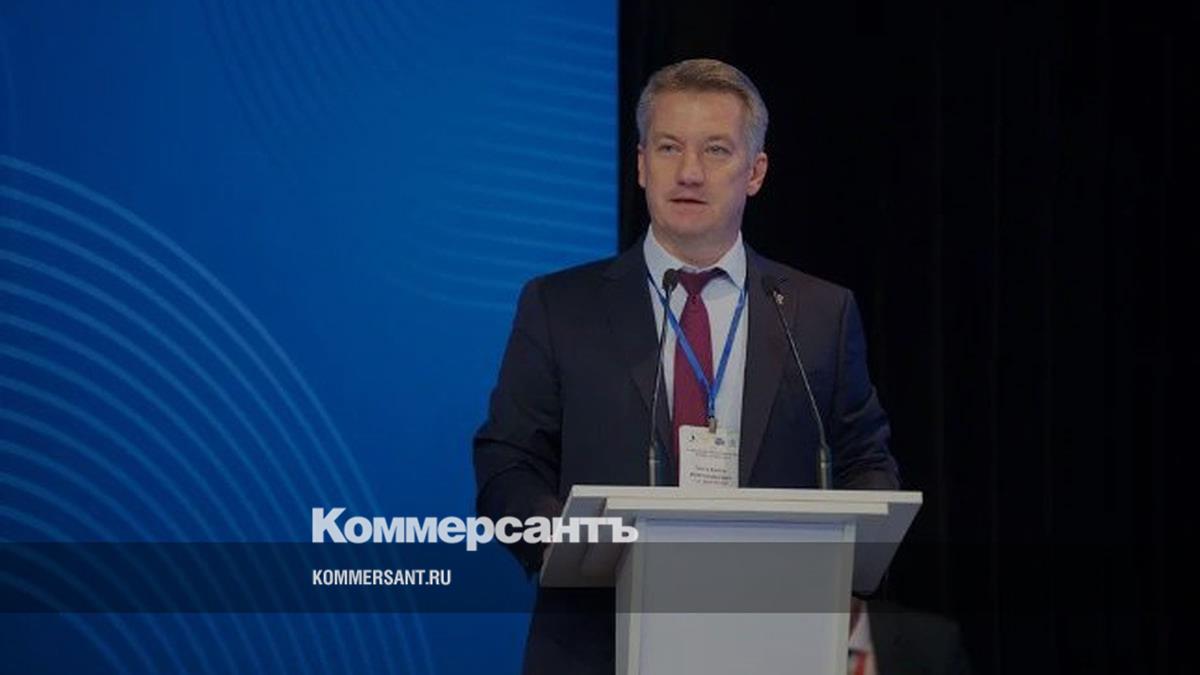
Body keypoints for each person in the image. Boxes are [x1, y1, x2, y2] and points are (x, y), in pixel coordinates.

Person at [474, 58, 900, 675]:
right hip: (598, 644)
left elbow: (866, 462)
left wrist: (838, 562)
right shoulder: (560, 306)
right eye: (669, 147)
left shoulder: (817, 313)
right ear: (641, 164)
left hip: (772, 643)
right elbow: (507, 463)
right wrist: (563, 542)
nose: (690, 172)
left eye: (716, 150)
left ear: (755, 172)